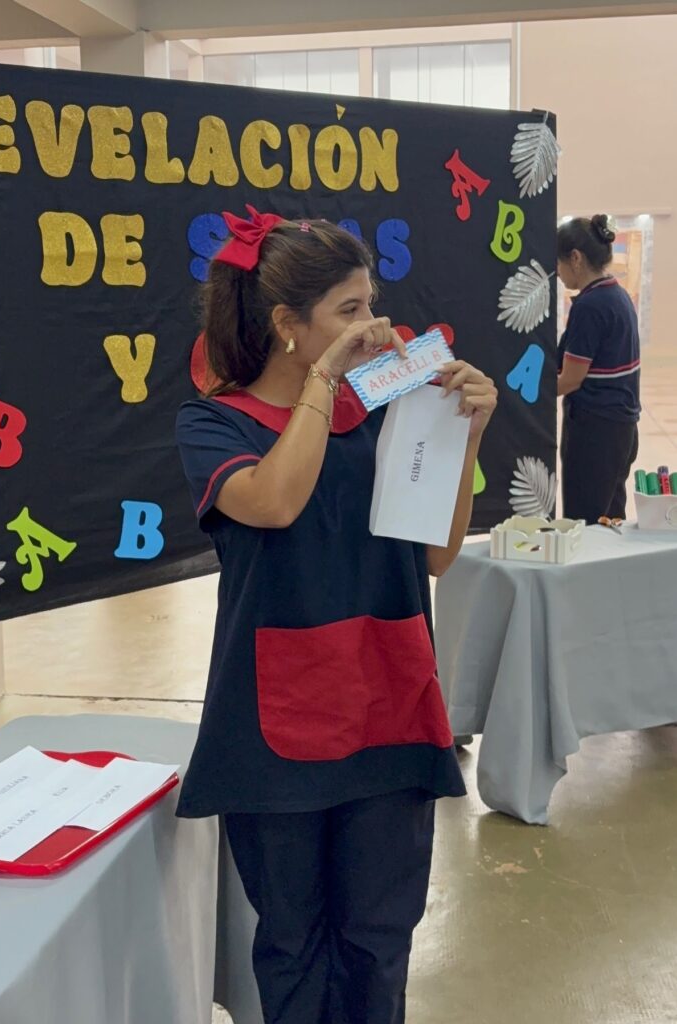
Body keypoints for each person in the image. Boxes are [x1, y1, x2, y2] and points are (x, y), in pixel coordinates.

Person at [175, 207, 497, 1024]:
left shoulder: (388, 408)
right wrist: (323, 383)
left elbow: (434, 555)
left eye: (371, 304)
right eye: (349, 310)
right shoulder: (214, 421)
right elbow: (275, 502)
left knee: (379, 941)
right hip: (276, 724)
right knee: (292, 942)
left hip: (389, 702)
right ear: (289, 325)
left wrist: (466, 435)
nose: (374, 326)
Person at [557, 214, 641, 524]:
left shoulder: (590, 307)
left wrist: (523, 395)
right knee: (610, 519)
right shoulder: (618, 295)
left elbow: (570, 381)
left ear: (575, 258)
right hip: (622, 429)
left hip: (595, 433)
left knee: (585, 524)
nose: (557, 274)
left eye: (558, 264)